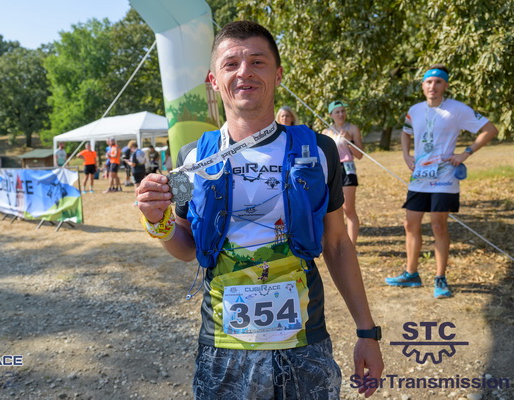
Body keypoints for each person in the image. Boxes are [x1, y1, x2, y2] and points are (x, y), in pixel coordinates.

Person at [135, 21, 383, 399]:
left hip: (305, 342)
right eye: (230, 64)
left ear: (278, 74)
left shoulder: (320, 150)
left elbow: (337, 244)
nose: (244, 72)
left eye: (257, 61)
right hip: (223, 346)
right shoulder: (189, 157)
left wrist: (367, 332)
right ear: (214, 80)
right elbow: (186, 247)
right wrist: (158, 222)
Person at [386, 64, 498, 299]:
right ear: (422, 85)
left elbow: (489, 129)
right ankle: (411, 274)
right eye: (429, 82)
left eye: (438, 82)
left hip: (445, 177)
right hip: (419, 177)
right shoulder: (415, 110)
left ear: (445, 85)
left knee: (438, 226)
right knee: (410, 225)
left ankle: (440, 278)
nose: (433, 86)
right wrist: (406, 155)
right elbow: (406, 132)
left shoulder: (456, 109)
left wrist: (465, 153)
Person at [322, 101, 364, 245]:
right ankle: (336, 241)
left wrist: (349, 140)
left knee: (348, 209)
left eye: (343, 111)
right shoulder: (326, 132)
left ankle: (351, 245)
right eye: (337, 112)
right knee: (333, 209)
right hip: (332, 169)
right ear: (331, 115)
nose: (341, 114)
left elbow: (360, 155)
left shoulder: (352, 129)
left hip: (347, 168)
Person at [126, 140, 146, 205]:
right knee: (142, 185)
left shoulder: (135, 153)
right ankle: (143, 199)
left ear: (132, 146)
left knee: (137, 186)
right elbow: (145, 161)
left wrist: (127, 162)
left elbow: (133, 164)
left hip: (136, 171)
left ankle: (138, 201)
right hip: (143, 170)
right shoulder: (142, 152)